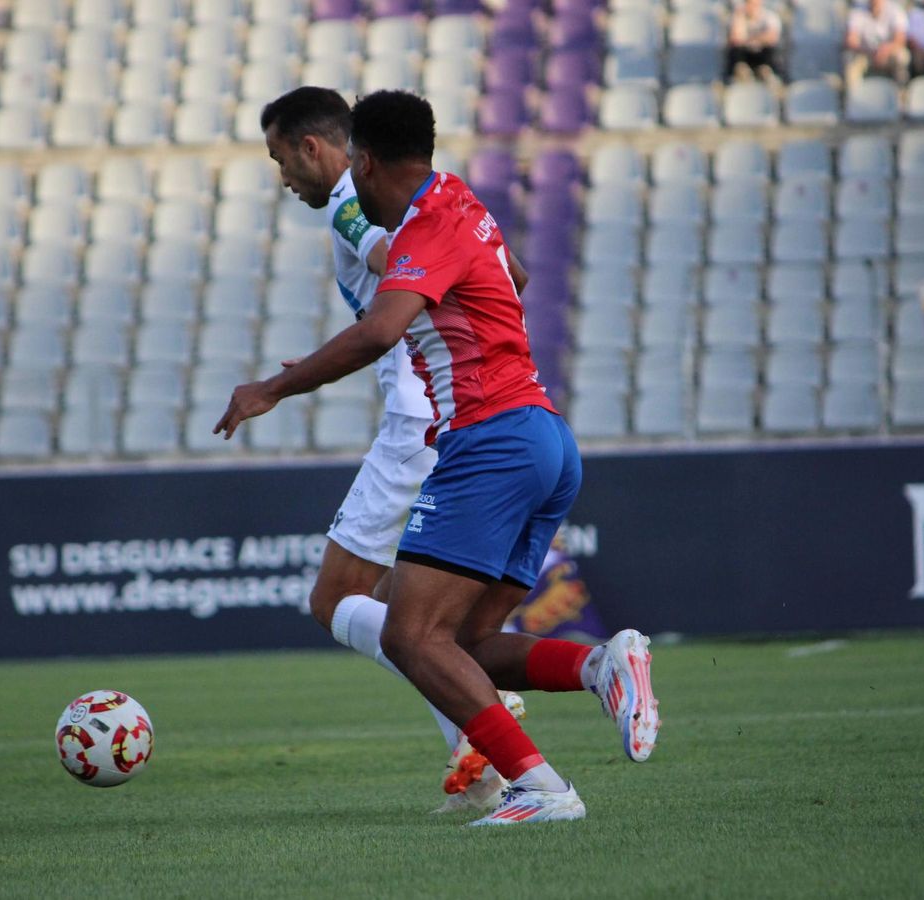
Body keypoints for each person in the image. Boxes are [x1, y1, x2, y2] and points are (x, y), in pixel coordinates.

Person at [217, 90, 660, 827]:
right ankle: (599, 665)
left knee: (407, 634)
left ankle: (537, 786)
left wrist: (273, 387)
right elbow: (512, 275)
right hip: (545, 435)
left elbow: (381, 331)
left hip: (487, 440)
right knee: (461, 644)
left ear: (358, 159)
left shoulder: (415, 224)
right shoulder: (460, 200)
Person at [257, 86, 522, 812]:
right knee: (406, 613)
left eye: (281, 159)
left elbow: (392, 260)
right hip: (446, 412)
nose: (282, 178)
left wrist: (276, 388)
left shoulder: (353, 201)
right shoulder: (427, 196)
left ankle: (480, 713)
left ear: (314, 148)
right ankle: (482, 750)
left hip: (421, 414)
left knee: (338, 599)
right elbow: (506, 274)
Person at [845, 0, 912, 84]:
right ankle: (852, 94)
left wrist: (885, 50)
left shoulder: (895, 10)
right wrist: (869, 50)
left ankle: (901, 91)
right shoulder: (857, 11)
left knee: (902, 56)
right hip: (866, 53)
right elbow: (851, 40)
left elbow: (900, 39)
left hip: (888, 54)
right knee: (850, 59)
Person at [726, 0, 784, 83]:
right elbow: (735, 40)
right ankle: (741, 71)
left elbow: (772, 38)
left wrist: (748, 39)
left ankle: (765, 72)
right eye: (749, 3)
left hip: (762, 53)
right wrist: (739, 17)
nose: (752, 7)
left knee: (771, 51)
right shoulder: (737, 17)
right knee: (735, 51)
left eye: (754, 3)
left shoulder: (770, 17)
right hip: (744, 54)